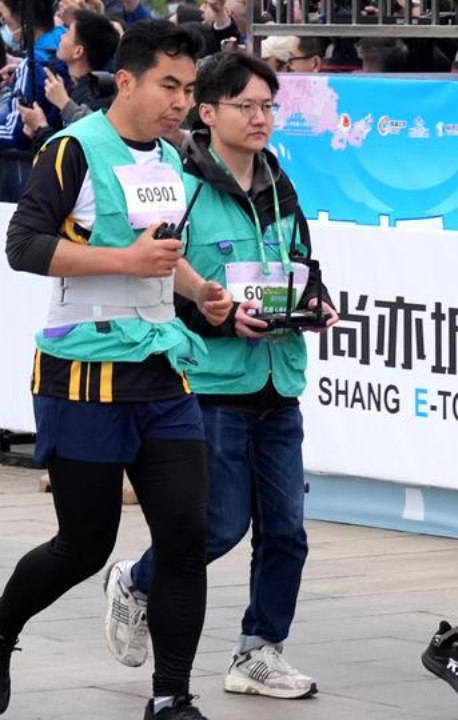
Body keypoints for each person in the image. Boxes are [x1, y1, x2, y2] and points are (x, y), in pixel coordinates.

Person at [0, 19, 226, 720]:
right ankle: (2, 629)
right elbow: (24, 245)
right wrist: (124, 263)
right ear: (125, 80)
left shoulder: (171, 158)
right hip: (84, 374)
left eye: (188, 89)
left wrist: (199, 292)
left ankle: (171, 697)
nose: (180, 102)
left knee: (186, 535)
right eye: (169, 85)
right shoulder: (72, 150)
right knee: (83, 546)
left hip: (162, 369)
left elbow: (159, 251)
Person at [103, 50, 337, 701]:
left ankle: (258, 652)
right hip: (212, 388)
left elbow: (299, 265)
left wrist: (312, 305)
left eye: (268, 106)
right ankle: (138, 581)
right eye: (246, 106)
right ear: (207, 114)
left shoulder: (279, 183)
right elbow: (157, 289)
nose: (261, 118)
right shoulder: (183, 189)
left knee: (286, 531)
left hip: (278, 381)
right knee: (219, 526)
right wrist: (220, 320)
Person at [19, 9, 120, 153]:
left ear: (78, 51)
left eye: (67, 33)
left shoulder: (97, 96)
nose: (61, 37)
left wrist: (41, 127)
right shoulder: (73, 84)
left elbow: (70, 153)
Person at [0, 0, 65, 201]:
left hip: (28, 172)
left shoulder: (33, 64)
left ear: (25, 22)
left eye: (6, 20)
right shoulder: (61, 40)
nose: (5, 28)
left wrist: (24, 70)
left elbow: (17, 131)